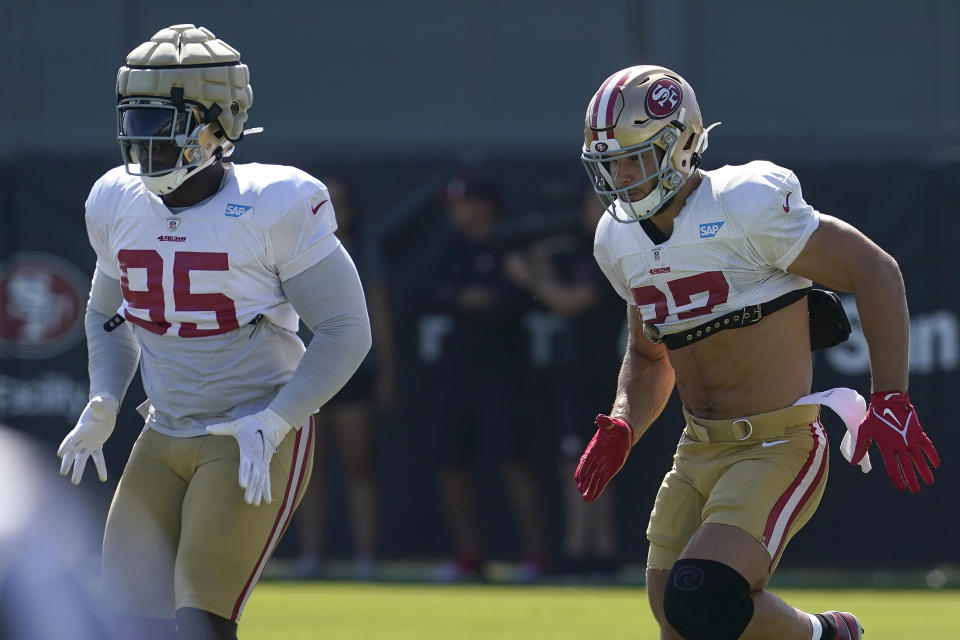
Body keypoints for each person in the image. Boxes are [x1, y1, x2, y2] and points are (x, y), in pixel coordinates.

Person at [573, 65, 939, 640]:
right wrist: (623, 422)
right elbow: (649, 357)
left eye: (634, 157)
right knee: (677, 619)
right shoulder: (617, 240)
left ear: (681, 144)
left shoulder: (744, 203)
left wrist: (890, 394)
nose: (620, 175)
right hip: (697, 448)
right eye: (609, 162)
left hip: (777, 441)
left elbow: (874, 269)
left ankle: (828, 635)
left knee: (702, 598)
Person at [56, 24, 371, 640]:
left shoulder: (273, 203)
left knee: (199, 619)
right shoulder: (116, 200)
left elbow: (346, 329)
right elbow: (105, 312)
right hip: (163, 428)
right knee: (122, 622)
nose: (141, 139)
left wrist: (277, 419)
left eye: (159, 121)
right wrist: (105, 398)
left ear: (217, 125)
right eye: (134, 119)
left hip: (247, 431)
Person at [429, 177, 547, 582]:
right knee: (452, 464)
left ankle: (534, 557)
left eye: (462, 203)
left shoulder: (513, 248)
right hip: (458, 374)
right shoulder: (451, 249)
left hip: (505, 375)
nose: (455, 212)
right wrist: (467, 299)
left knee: (515, 462)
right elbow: (432, 294)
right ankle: (469, 558)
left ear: (484, 206)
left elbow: (509, 304)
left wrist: (476, 300)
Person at [503, 191, 623, 578]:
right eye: (594, 203)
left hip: (604, 370)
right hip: (570, 368)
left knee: (597, 456)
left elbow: (572, 301)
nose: (600, 211)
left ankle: (595, 552)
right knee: (572, 458)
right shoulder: (572, 249)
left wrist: (529, 277)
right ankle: (581, 550)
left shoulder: (616, 255)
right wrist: (540, 269)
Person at [293, 177, 396, 580]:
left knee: (359, 466)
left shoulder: (362, 249)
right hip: (306, 371)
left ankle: (366, 560)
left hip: (356, 373)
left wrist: (386, 374)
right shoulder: (291, 246)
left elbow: (380, 310)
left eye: (340, 200)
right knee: (308, 468)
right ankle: (310, 556)